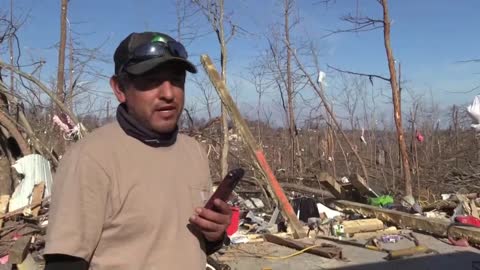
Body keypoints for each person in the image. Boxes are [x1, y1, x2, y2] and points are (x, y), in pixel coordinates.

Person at [43, 31, 232, 270]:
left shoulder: (193, 151)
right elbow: (64, 264)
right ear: (120, 88)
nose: (168, 93)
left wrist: (214, 234)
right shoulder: (91, 158)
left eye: (177, 80)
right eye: (151, 80)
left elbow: (188, 244)